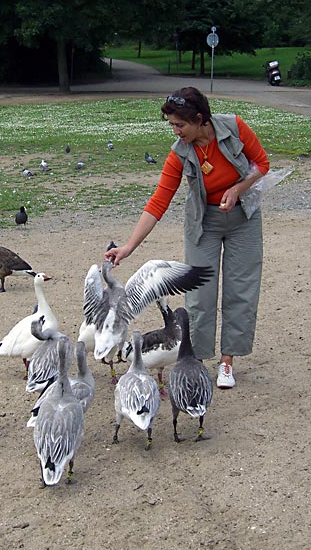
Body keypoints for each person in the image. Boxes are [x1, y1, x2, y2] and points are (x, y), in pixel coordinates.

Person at [104, 87, 270, 389]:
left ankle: (227, 362)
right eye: (172, 125)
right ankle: (198, 359)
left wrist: (237, 190)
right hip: (203, 223)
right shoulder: (180, 152)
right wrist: (129, 246)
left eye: (180, 125)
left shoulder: (234, 127)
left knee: (241, 290)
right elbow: (159, 201)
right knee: (200, 296)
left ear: (199, 119)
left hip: (243, 219)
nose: (176, 131)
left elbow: (262, 165)